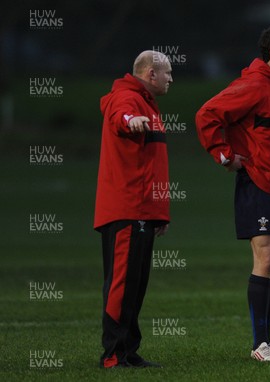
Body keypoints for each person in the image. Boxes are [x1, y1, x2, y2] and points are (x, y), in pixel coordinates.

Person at [195, 26, 270, 362]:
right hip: (257, 182)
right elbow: (207, 115)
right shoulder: (251, 85)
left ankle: (268, 343)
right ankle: (260, 346)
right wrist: (224, 155)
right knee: (266, 258)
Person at [94, 50, 173, 368]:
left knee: (135, 284)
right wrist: (132, 120)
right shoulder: (126, 98)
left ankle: (126, 349)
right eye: (167, 72)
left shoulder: (146, 103)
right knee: (123, 282)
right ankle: (113, 353)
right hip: (126, 207)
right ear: (150, 74)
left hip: (141, 208)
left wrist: (158, 211)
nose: (171, 79)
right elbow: (120, 117)